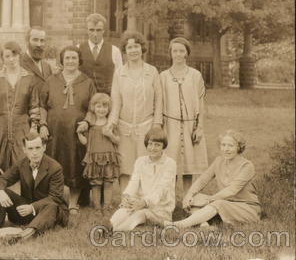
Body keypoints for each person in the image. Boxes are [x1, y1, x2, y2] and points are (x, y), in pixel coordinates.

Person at [0, 133, 69, 241]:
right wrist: (0, 192)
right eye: (30, 148)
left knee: (52, 205)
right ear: (24, 150)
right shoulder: (21, 164)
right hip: (27, 212)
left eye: (38, 148)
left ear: (44, 148)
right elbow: (2, 179)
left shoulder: (55, 168)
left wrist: (32, 207)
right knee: (4, 193)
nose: (35, 152)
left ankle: (23, 237)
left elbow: (55, 198)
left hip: (51, 213)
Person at [39, 46, 97, 214]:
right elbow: (42, 105)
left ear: (79, 60)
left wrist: (87, 122)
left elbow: (93, 107)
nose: (70, 61)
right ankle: (54, 199)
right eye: (67, 58)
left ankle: (73, 202)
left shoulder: (87, 81)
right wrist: (42, 124)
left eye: (74, 58)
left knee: (74, 163)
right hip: (54, 132)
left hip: (75, 132)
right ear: (62, 60)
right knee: (52, 163)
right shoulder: (51, 80)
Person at [165, 130, 261, 229]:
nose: (226, 149)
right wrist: (189, 195)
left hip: (246, 207)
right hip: (226, 203)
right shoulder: (219, 161)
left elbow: (232, 190)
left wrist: (209, 200)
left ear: (239, 147)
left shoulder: (247, 166)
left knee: (218, 203)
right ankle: (204, 224)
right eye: (223, 145)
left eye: (230, 146)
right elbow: (203, 180)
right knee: (194, 198)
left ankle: (179, 225)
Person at [107, 31, 163, 194]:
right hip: (125, 127)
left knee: (146, 163)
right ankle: (127, 199)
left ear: (142, 48)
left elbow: (159, 100)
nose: (133, 50)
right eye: (129, 47)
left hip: (147, 125)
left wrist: (157, 124)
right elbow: (116, 101)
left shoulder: (152, 71)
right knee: (126, 167)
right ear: (124, 50)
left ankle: (145, 198)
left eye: (136, 46)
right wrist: (112, 123)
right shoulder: (119, 73)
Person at [0, 41, 40, 180]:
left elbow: (34, 105)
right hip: (0, 128)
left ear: (19, 55)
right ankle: (0, 196)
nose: (11, 59)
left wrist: (34, 127)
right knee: (0, 160)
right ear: (3, 58)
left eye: (14, 55)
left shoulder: (29, 78)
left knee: (22, 161)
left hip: (22, 126)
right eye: (7, 56)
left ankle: (23, 197)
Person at [160, 37, 208, 195]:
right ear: (170, 53)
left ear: (187, 53)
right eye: (175, 51)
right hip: (170, 125)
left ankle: (188, 199)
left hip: (190, 125)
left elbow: (200, 104)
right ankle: (170, 201)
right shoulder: (163, 76)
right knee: (170, 164)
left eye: (182, 51)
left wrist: (199, 127)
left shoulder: (195, 75)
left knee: (189, 165)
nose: (178, 54)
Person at [109, 127, 176, 231]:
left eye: (157, 145)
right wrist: (127, 196)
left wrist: (144, 203)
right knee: (123, 210)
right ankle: (109, 226)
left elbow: (161, 189)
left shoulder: (169, 163)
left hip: (160, 207)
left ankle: (115, 231)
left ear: (163, 147)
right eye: (150, 144)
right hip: (140, 202)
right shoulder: (140, 161)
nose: (152, 148)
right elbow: (134, 182)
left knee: (140, 214)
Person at [76, 93, 121, 213]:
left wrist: (110, 134)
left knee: (108, 183)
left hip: (108, 158)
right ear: (93, 108)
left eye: (105, 107)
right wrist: (79, 134)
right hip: (94, 158)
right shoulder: (91, 125)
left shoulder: (111, 124)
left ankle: (107, 206)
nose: (101, 110)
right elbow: (85, 142)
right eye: (98, 106)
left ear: (109, 108)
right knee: (96, 183)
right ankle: (97, 207)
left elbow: (117, 140)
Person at [78, 13, 123, 95]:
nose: (95, 34)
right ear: (86, 30)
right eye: (91, 30)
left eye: (98, 30)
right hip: (83, 99)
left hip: (107, 99)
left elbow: (120, 79)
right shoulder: (77, 49)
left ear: (103, 31)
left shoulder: (115, 51)